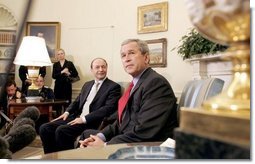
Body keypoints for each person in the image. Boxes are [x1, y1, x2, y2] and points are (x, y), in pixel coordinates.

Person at [78, 39, 178, 148]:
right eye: (123, 55)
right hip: (130, 137)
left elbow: (145, 131)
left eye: (131, 53)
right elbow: (122, 122)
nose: (127, 59)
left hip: (147, 147)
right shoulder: (134, 85)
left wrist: (105, 145)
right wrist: (100, 136)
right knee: (87, 136)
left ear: (146, 58)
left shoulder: (155, 83)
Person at [39, 58, 121, 154]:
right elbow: (77, 101)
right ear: (92, 70)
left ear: (107, 68)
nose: (101, 69)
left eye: (103, 67)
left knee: (62, 130)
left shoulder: (113, 87)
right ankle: (51, 158)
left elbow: (107, 109)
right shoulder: (87, 84)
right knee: (44, 128)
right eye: (97, 67)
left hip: (92, 122)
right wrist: (67, 112)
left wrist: (84, 119)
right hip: (76, 117)